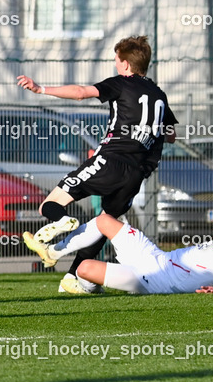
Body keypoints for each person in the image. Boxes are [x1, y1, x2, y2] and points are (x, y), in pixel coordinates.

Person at [16, 35, 177, 294]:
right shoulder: (159, 95)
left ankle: (63, 220)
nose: (115, 65)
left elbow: (81, 93)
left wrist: (41, 89)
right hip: (136, 174)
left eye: (116, 60)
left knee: (49, 204)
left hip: (111, 160)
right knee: (105, 222)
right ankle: (72, 278)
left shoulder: (122, 83)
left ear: (125, 64)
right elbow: (170, 135)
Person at [41, 205, 213, 294]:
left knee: (84, 268)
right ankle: (53, 252)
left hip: (151, 280)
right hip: (153, 255)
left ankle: (89, 288)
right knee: (104, 220)